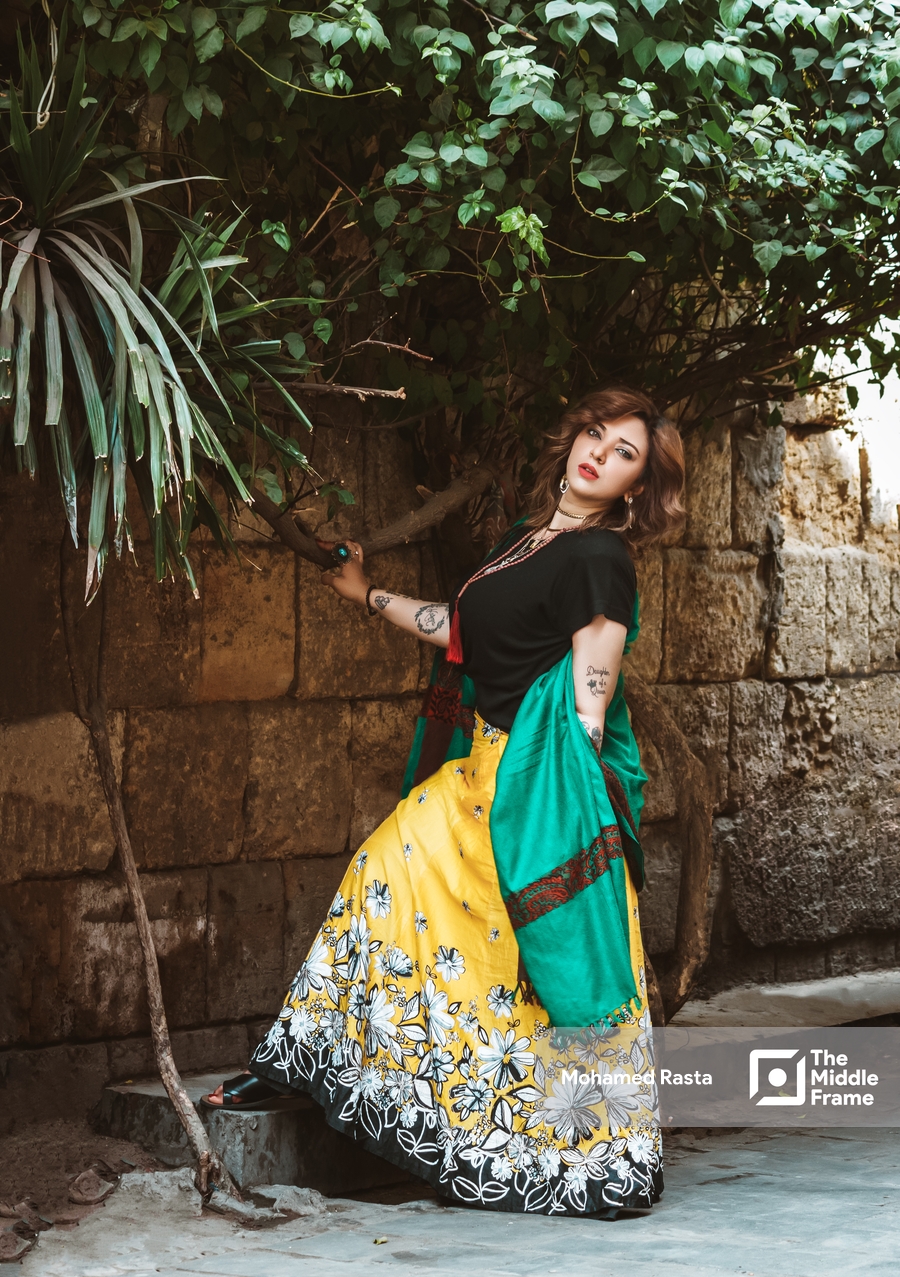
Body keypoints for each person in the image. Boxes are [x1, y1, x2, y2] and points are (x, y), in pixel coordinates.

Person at [205, 385, 685, 1218]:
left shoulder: (600, 559)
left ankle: (563, 1145)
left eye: (623, 453)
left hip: (536, 789)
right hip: (478, 774)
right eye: (595, 433)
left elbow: (589, 699)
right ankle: (304, 1063)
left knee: (521, 966)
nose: (598, 454)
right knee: (382, 879)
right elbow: (462, 631)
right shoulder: (526, 538)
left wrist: (563, 813)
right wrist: (366, 593)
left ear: (636, 487)